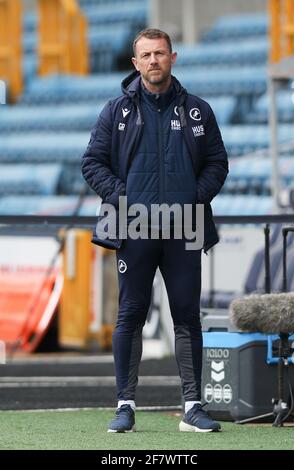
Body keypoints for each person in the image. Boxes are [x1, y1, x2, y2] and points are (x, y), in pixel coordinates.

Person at [81, 28, 228, 433]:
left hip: (185, 227)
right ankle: (125, 405)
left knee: (187, 316)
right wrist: (123, 195)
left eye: (159, 53)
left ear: (172, 57)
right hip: (133, 227)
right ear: (135, 63)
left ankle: (193, 407)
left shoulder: (197, 110)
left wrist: (193, 197)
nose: (153, 61)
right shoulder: (116, 111)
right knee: (130, 315)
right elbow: (92, 163)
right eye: (145, 55)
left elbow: (218, 163)